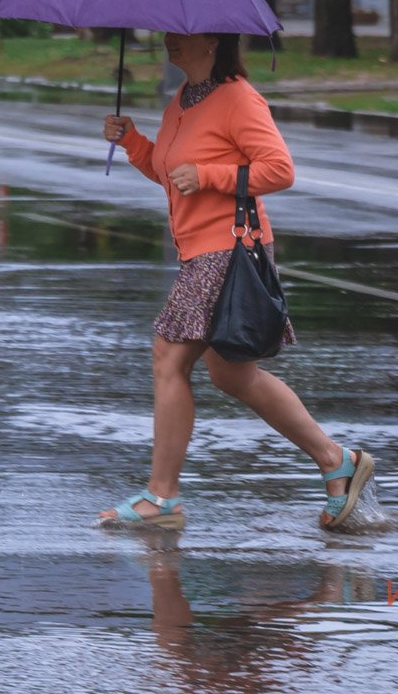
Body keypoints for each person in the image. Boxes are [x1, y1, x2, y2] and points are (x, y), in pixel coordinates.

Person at [97, 32, 374, 531]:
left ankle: (162, 497)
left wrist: (210, 176)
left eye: (181, 35)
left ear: (212, 41)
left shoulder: (239, 98)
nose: (169, 42)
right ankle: (337, 462)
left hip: (227, 248)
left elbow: (279, 170)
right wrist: (134, 142)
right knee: (231, 374)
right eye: (168, 34)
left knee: (168, 354)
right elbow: (172, 174)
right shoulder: (183, 99)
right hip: (199, 249)